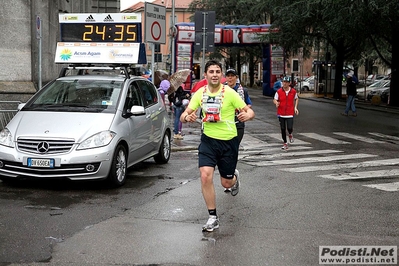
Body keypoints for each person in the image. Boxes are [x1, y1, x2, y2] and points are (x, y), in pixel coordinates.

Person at [180, 60, 255, 232]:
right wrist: (187, 118)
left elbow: (249, 111)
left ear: (221, 75)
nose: (214, 74)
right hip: (208, 140)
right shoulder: (200, 93)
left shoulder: (229, 93)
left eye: (217, 71)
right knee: (205, 175)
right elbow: (185, 114)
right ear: (205, 75)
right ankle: (212, 217)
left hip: (228, 141)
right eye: (211, 71)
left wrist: (247, 116)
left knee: (225, 183)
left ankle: (233, 179)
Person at [223, 68, 252, 192]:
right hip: (224, 124)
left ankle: (231, 177)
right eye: (228, 76)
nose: (230, 78)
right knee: (225, 151)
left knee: (232, 150)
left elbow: (249, 105)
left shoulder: (242, 90)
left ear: (236, 77)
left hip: (238, 124)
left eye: (232, 76)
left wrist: (243, 110)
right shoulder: (221, 90)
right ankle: (232, 174)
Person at [273, 76, 299, 150]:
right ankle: (285, 143)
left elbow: (296, 98)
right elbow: (274, 99)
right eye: (284, 82)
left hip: (290, 113)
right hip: (281, 113)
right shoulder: (279, 91)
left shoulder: (293, 91)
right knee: (283, 128)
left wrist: (295, 107)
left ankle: (290, 134)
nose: (285, 84)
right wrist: (276, 103)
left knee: (289, 127)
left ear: (289, 83)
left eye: (287, 82)